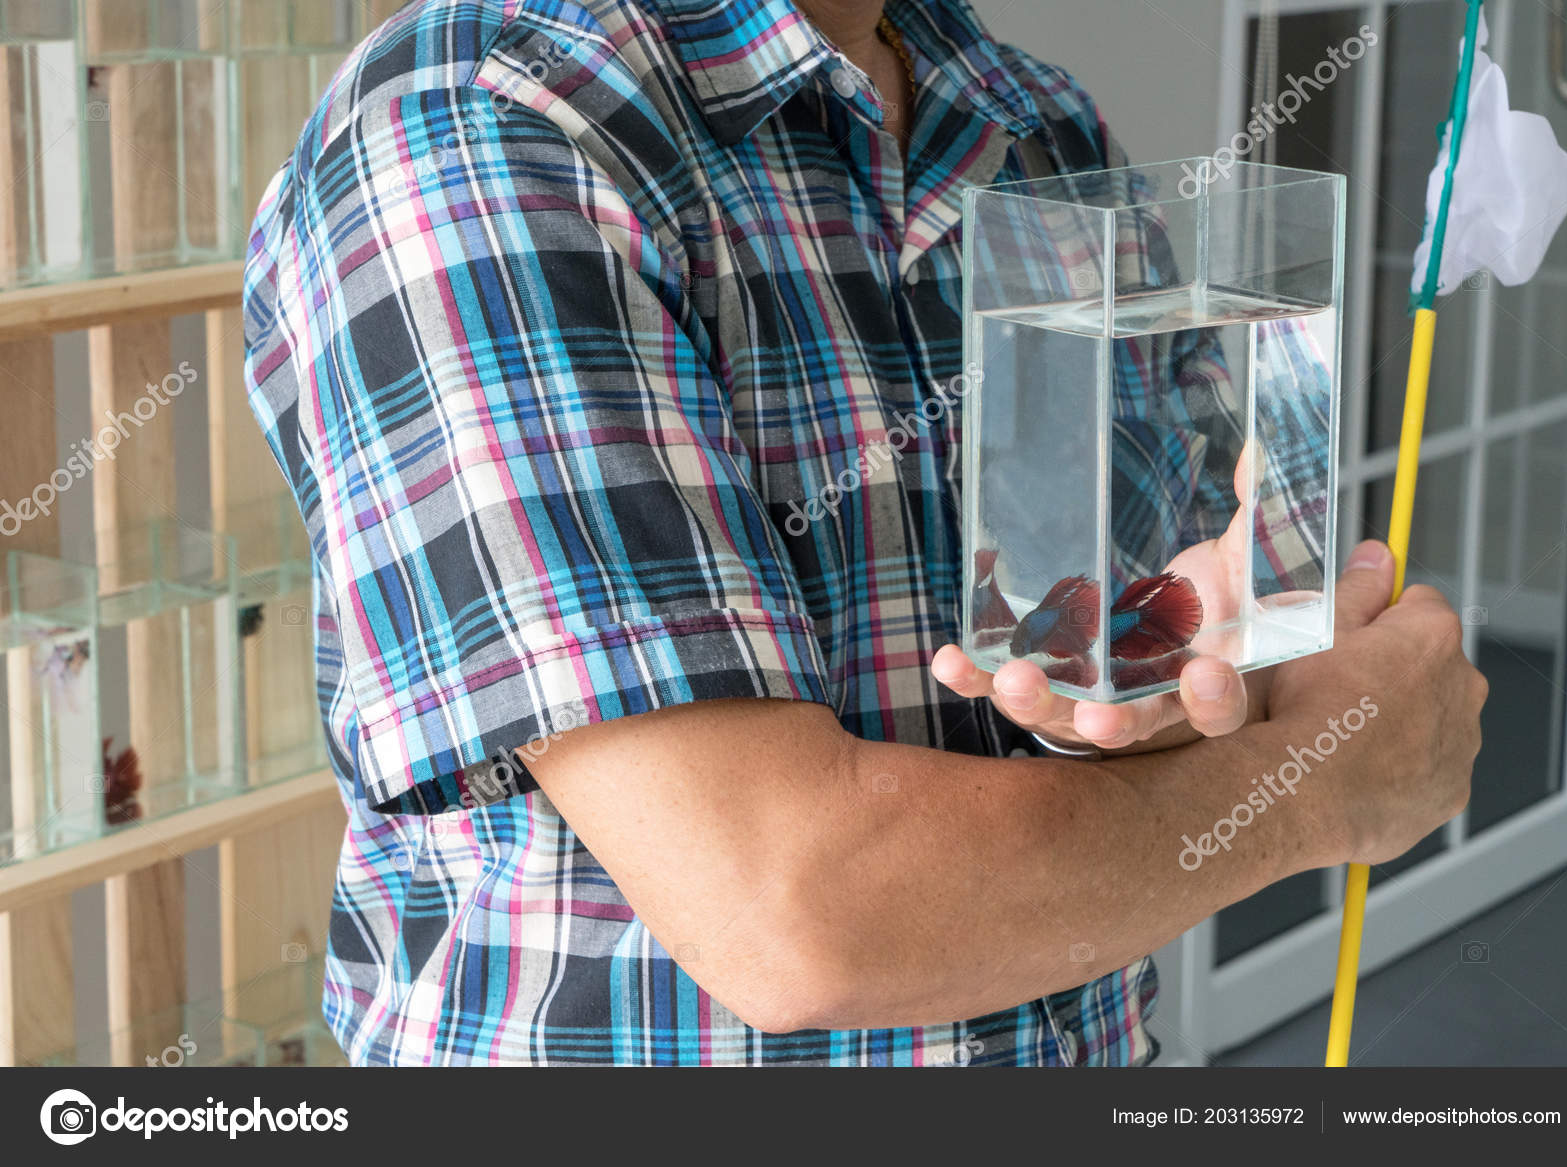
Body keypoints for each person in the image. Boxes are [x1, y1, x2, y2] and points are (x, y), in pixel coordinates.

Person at [243, 0, 1484, 1066]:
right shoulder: (482, 125)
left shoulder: (1032, 118)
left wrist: (1203, 677)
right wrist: (1315, 785)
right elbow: (794, 915)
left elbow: (1187, 630)